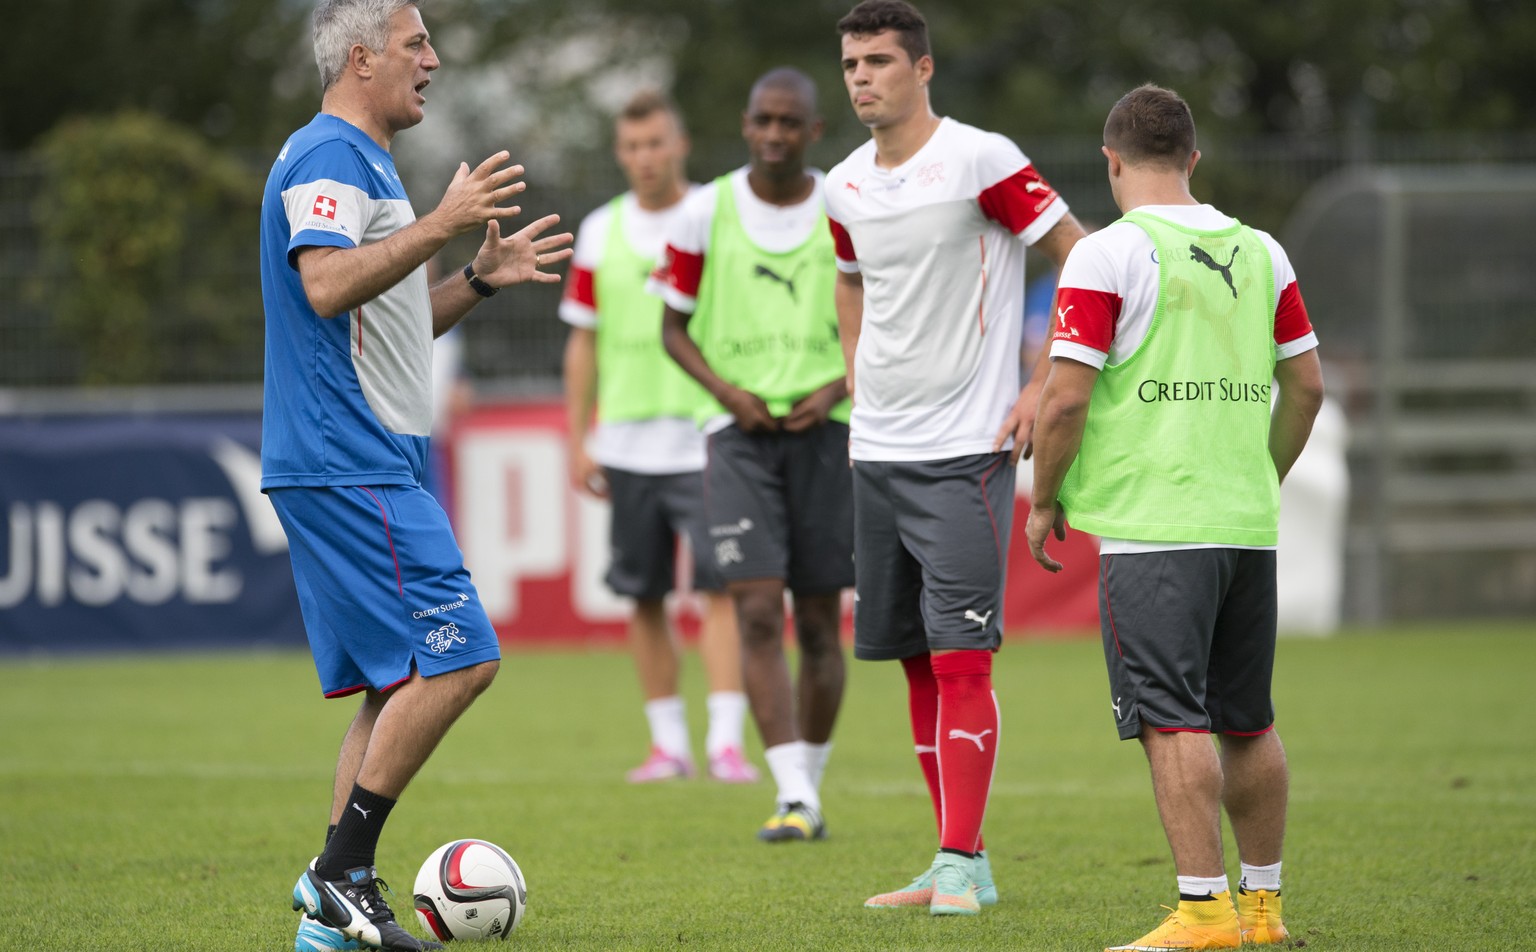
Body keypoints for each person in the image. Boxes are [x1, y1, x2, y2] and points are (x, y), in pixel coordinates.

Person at [259, 2, 571, 950]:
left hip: (361, 457)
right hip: (347, 460)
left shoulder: (358, 162)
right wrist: (442, 222)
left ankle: (327, 924)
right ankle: (341, 875)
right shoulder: (328, 157)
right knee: (464, 654)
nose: (433, 60)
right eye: (415, 43)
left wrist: (474, 278)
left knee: (392, 688)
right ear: (361, 58)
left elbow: (377, 324)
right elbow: (323, 283)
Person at [1025, 84, 1323, 950]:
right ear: (1195, 160)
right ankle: (1261, 911)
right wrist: (1257, 475)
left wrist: (1044, 500)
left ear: (1110, 161)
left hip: (1156, 528)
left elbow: (1064, 400)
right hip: (1243, 522)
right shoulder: (1262, 251)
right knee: (1248, 719)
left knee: (1172, 716)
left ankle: (1202, 914)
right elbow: (1306, 386)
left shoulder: (1107, 255)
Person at [825, 0, 1087, 917]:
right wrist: (857, 373)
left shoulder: (983, 159)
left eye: (881, 62)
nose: (862, 77)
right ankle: (949, 862)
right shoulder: (843, 183)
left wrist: (1042, 381)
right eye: (852, 63)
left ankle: (963, 862)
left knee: (962, 661)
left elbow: (1078, 256)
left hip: (966, 450)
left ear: (923, 69)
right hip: (877, 452)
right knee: (910, 661)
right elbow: (849, 280)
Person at [656, 67, 851, 842]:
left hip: (826, 433)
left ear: (814, 132)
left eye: (789, 122)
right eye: (762, 120)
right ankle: (793, 792)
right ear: (745, 125)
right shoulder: (705, 211)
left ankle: (812, 779)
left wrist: (838, 387)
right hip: (735, 438)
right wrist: (728, 392)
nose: (774, 134)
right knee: (759, 611)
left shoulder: (846, 205)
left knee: (819, 621)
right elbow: (673, 327)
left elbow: (885, 310)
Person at [561, 90, 756, 785]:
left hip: (707, 435)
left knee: (724, 588)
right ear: (621, 153)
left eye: (656, 143)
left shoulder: (716, 214)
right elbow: (582, 342)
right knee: (642, 595)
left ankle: (726, 743)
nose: (645, 158)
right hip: (627, 446)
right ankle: (668, 744)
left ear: (680, 146)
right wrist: (578, 436)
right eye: (633, 146)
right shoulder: (598, 230)